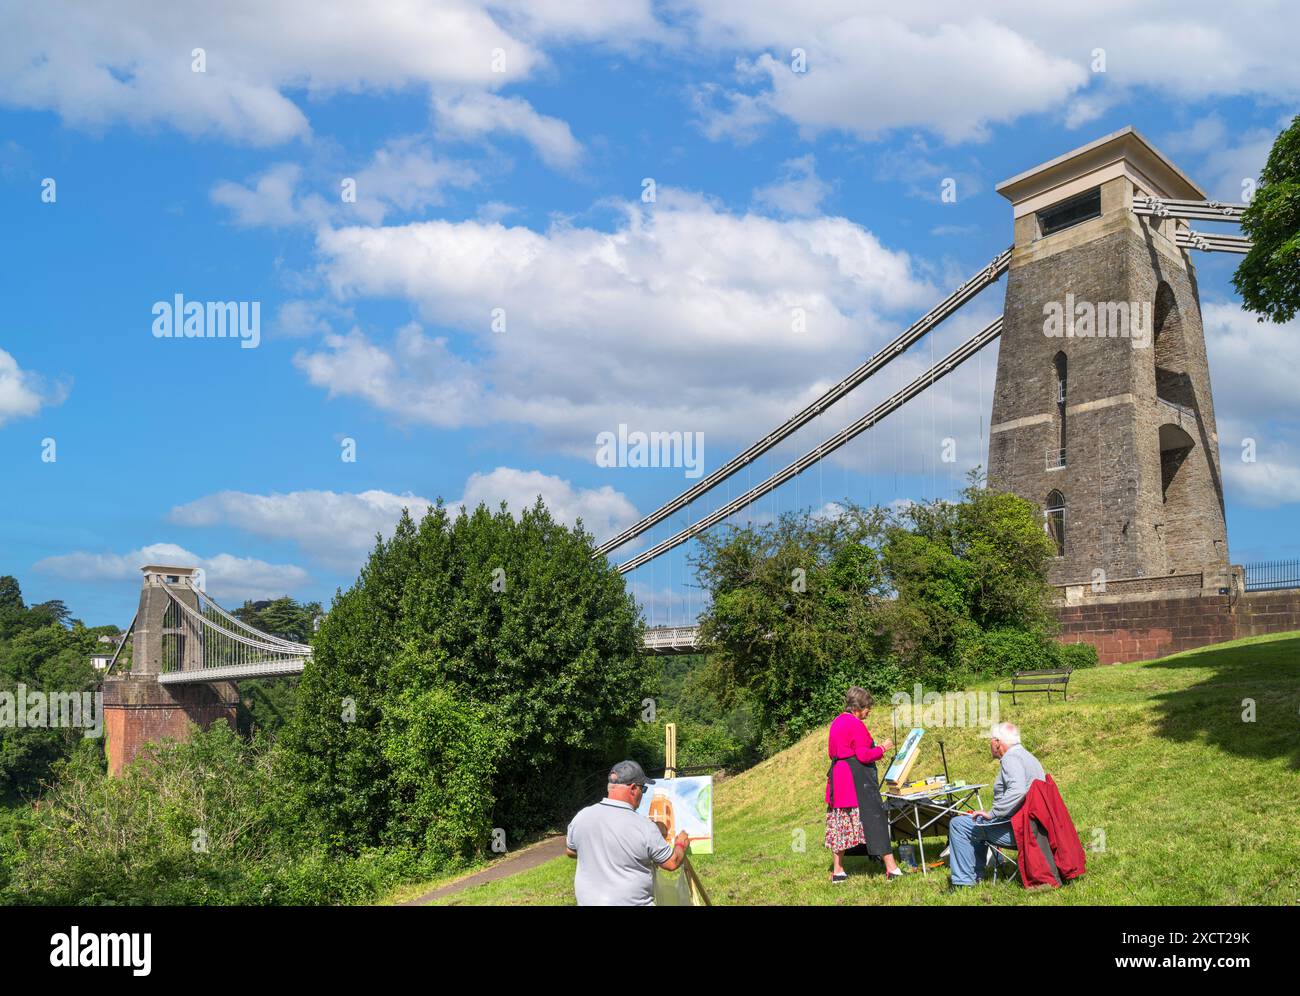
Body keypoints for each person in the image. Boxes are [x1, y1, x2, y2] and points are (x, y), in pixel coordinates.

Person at [565, 760, 691, 906]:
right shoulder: (644, 826)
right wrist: (681, 843)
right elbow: (671, 863)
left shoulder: (582, 816)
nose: (642, 794)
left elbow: (571, 851)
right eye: (643, 789)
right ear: (633, 788)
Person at [946, 721, 1045, 888]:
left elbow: (1018, 790)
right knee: (975, 822)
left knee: (958, 824)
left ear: (998, 742)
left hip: (1016, 830)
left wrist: (993, 813)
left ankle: (964, 882)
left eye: (991, 740)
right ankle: (975, 874)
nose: (990, 744)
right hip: (1035, 828)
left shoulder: (1011, 759)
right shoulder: (1030, 757)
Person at [825, 686, 903, 883]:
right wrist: (882, 748)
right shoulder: (855, 724)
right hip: (856, 780)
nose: (869, 711)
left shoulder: (837, 722)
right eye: (868, 707)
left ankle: (838, 871)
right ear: (858, 707)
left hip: (838, 780)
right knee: (874, 819)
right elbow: (863, 755)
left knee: (840, 825)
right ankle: (891, 868)